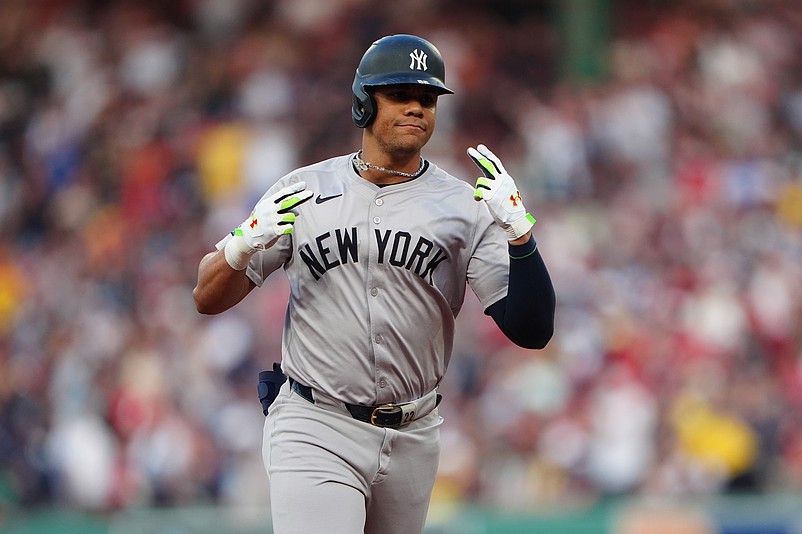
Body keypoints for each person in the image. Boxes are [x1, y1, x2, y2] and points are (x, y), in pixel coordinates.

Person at [193, 34, 555, 534]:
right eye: (400, 94)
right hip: (316, 421)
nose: (416, 108)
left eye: (427, 99)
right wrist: (241, 244)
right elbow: (206, 299)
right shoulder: (304, 190)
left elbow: (532, 329)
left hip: (413, 433)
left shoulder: (464, 206)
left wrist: (521, 234)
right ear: (364, 102)